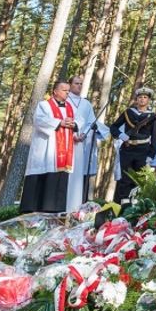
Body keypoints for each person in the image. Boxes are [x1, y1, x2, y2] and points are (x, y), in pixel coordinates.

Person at [20, 80, 78, 213]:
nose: (67, 93)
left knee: (59, 181)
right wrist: (60, 122)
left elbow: (78, 123)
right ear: (55, 91)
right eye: (64, 90)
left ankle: (55, 211)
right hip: (46, 149)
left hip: (64, 154)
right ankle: (33, 211)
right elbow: (39, 121)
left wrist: (73, 125)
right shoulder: (44, 105)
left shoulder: (70, 108)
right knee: (42, 177)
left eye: (68, 90)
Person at [110, 86, 156, 204]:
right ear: (136, 99)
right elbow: (113, 127)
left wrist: (151, 155)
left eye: (145, 97)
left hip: (143, 151)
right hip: (127, 150)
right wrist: (121, 135)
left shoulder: (152, 117)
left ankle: (136, 207)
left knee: (139, 181)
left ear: (148, 100)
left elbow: (154, 138)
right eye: (140, 97)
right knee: (125, 180)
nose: (142, 99)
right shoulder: (128, 112)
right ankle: (123, 207)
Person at [65, 75, 102, 211]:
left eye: (81, 84)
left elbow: (91, 122)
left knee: (78, 175)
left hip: (81, 143)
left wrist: (83, 134)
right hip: (65, 141)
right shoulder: (65, 100)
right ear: (69, 85)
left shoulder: (86, 104)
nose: (79, 86)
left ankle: (76, 207)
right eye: (76, 83)